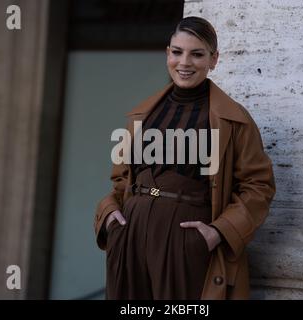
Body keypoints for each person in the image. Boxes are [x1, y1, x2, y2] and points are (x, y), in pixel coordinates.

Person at [94, 16, 276, 300]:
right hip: (129, 235)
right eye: (177, 52)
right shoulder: (142, 115)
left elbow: (259, 186)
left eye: (197, 54)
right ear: (168, 53)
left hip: (187, 242)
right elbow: (120, 180)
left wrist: (218, 232)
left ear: (214, 59)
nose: (185, 62)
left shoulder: (234, 120)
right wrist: (109, 216)